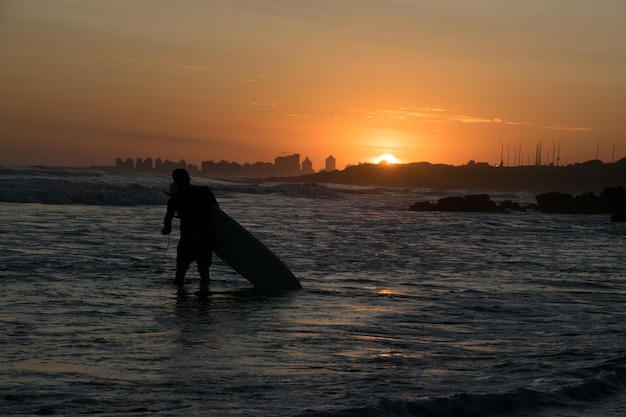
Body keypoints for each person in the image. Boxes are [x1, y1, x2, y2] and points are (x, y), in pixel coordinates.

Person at [162, 168, 218, 293]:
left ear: (175, 181)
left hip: (188, 236)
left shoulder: (175, 198)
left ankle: (181, 304)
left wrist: (166, 230)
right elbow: (217, 212)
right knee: (204, 274)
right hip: (205, 236)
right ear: (188, 178)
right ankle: (204, 302)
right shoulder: (204, 191)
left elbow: (168, 220)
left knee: (180, 274)